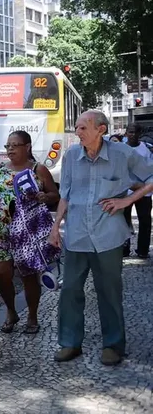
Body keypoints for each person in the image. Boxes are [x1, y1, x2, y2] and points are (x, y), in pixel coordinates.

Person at [49, 110, 153, 366]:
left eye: (83, 127)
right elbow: (65, 194)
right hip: (76, 234)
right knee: (70, 290)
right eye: (77, 127)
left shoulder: (122, 153)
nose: (78, 132)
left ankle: (113, 345)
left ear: (101, 130)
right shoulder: (72, 155)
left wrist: (127, 200)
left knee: (109, 292)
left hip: (108, 236)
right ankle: (70, 342)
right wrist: (55, 227)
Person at [0, 130, 60, 334]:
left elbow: (55, 195)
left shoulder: (38, 169)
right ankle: (11, 311)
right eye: (8, 146)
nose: (10, 149)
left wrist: (44, 197)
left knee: (28, 276)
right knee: (1, 273)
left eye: (15, 145)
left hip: (28, 233)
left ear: (27, 147)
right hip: (2, 231)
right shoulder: (0, 169)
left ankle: (32, 316)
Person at [123, 123, 152, 259]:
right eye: (130, 132)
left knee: (145, 222)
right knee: (123, 222)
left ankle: (143, 250)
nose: (132, 135)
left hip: (144, 192)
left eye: (135, 132)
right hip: (125, 192)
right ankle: (124, 250)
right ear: (126, 133)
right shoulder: (120, 149)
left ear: (140, 134)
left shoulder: (147, 149)